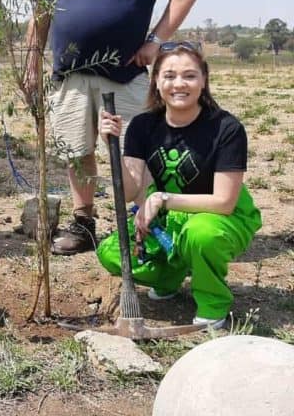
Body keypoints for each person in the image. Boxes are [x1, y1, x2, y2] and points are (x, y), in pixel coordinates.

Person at [25, 0, 197, 255]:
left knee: (133, 151)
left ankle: (145, 222)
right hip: (69, 77)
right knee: (77, 150)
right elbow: (41, 11)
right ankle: (84, 223)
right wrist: (32, 61)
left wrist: (155, 41)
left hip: (124, 75)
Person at [96, 42, 261, 329]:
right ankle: (171, 275)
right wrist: (110, 144)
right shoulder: (142, 126)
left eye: (189, 75)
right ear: (156, 82)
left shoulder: (226, 128)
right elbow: (131, 191)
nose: (179, 84)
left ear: (203, 80)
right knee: (110, 253)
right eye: (169, 76)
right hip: (169, 222)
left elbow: (224, 202)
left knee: (200, 234)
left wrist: (162, 198)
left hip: (221, 218)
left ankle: (213, 302)